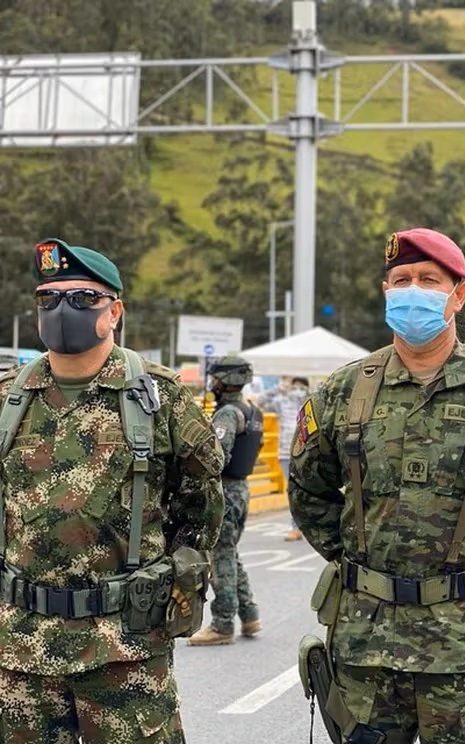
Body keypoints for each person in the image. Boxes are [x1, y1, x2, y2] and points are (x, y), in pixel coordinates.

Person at [289, 227, 465, 744]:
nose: (413, 290)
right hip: (365, 645)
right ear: (385, 291)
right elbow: (308, 490)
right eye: (401, 280)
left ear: (459, 294)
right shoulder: (345, 389)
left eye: (429, 279)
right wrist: (356, 559)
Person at [0, 238, 224, 742]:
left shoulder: (159, 398)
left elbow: (201, 511)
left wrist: (170, 586)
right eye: (49, 299)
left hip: (124, 648)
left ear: (114, 311)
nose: (63, 311)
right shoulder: (8, 398)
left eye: (82, 299)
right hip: (19, 649)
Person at [189, 356, 265, 646]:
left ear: (225, 380)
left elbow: (216, 458)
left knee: (220, 555)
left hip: (225, 492)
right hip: (242, 489)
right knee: (229, 552)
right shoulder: (253, 410)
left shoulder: (227, 414)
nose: (212, 383)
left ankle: (222, 624)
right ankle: (249, 614)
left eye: (215, 378)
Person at [255, 376, 309, 541]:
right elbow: (261, 402)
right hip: (286, 453)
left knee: (306, 491)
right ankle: (295, 527)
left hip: (307, 453)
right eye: (296, 386)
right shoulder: (281, 402)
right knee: (294, 490)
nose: (298, 390)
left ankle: (306, 525)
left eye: (302, 387)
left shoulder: (311, 403)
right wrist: (279, 389)